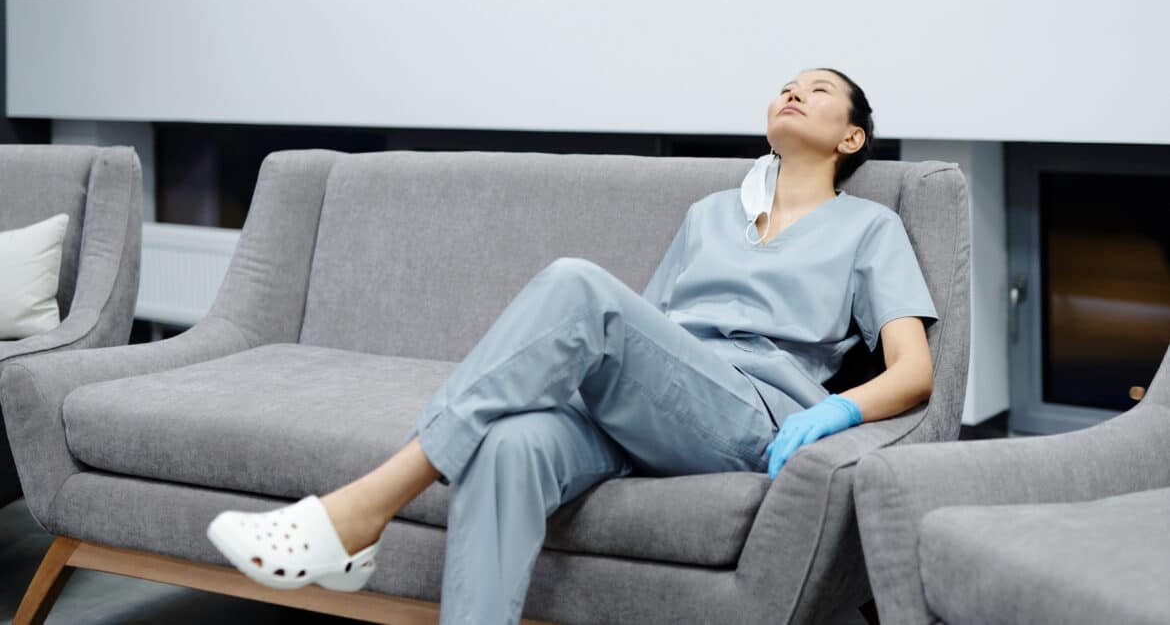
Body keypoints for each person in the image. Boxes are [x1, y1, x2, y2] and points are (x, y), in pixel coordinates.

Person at [207, 68, 938, 623]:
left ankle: (361, 509)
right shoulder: (711, 215)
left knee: (577, 285)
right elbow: (644, 330)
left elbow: (914, 372)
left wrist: (832, 413)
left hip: (747, 412)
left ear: (852, 138)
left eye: (816, 90)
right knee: (511, 445)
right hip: (656, 405)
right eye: (785, 86)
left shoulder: (868, 228)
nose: (792, 93)